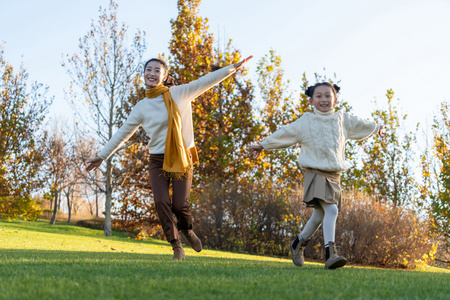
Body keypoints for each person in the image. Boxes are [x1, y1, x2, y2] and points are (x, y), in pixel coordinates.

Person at [86, 55, 253, 260]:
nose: (152, 73)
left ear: (164, 76)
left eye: (157, 70)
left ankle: (188, 231)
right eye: (149, 69)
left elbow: (205, 82)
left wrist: (231, 69)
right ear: (144, 74)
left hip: (182, 157)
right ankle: (176, 246)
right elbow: (122, 134)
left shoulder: (179, 93)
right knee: (161, 201)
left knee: (180, 205)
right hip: (157, 159)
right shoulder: (141, 107)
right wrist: (101, 156)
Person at [247, 82, 386, 269]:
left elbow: (362, 124)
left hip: (334, 175)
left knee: (319, 215)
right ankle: (330, 254)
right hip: (315, 172)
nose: (324, 99)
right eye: (319, 96)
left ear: (335, 99)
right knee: (332, 210)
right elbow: (285, 133)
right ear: (311, 101)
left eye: (328, 95)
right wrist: (263, 144)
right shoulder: (306, 122)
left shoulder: (343, 119)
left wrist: (377, 127)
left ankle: (298, 243)